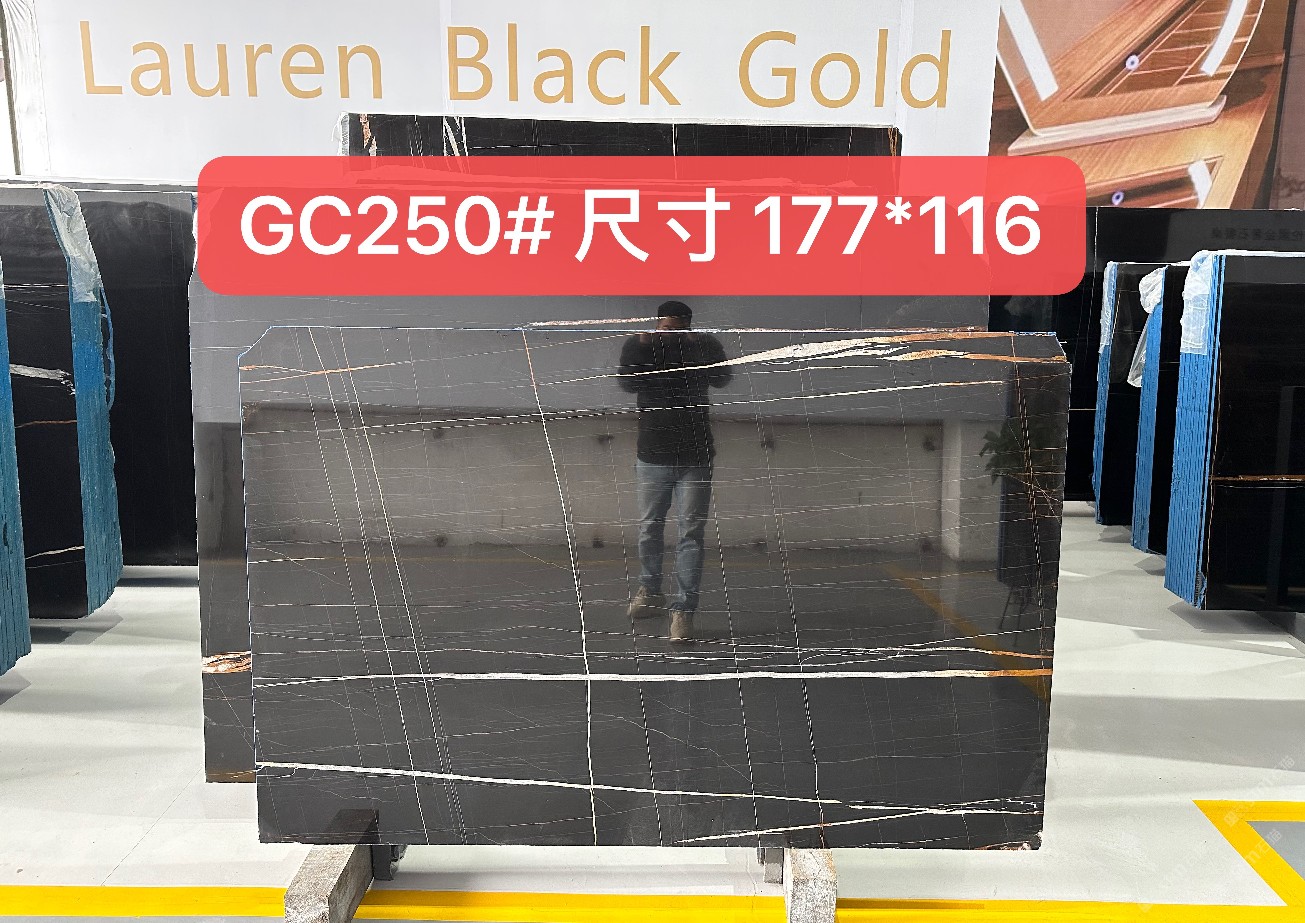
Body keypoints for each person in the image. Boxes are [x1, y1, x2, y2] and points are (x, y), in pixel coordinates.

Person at [618, 301, 731, 643]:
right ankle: (651, 591)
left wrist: (698, 348)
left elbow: (723, 378)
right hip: (653, 454)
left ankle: (683, 612)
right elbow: (627, 383)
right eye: (666, 329)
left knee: (690, 535)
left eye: (679, 329)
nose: (672, 335)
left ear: (689, 327)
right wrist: (642, 348)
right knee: (649, 529)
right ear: (657, 325)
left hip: (695, 456)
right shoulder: (641, 345)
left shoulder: (704, 345)